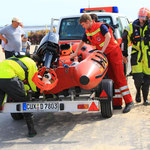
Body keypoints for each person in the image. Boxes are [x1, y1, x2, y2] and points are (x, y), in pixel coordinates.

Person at [70, 14, 134, 113]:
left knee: (120, 77)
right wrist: (75, 53)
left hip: (113, 52)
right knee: (112, 78)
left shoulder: (101, 26)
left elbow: (108, 36)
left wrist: (102, 51)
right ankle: (117, 103)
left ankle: (129, 102)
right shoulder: (88, 31)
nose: (83, 27)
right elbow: (82, 42)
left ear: (88, 22)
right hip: (105, 54)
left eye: (83, 25)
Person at [0, 54, 41, 137]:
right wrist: (36, 91)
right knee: (25, 102)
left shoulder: (13, 59)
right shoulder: (32, 63)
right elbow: (32, 80)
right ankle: (31, 131)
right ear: (36, 62)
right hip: (9, 79)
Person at [122, 8, 150, 106]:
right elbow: (124, 39)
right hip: (136, 54)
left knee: (147, 79)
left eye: (143, 16)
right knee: (137, 78)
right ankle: (138, 91)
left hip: (148, 55)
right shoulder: (132, 26)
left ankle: (145, 99)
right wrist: (124, 53)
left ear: (147, 17)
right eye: (140, 16)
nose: (141, 18)